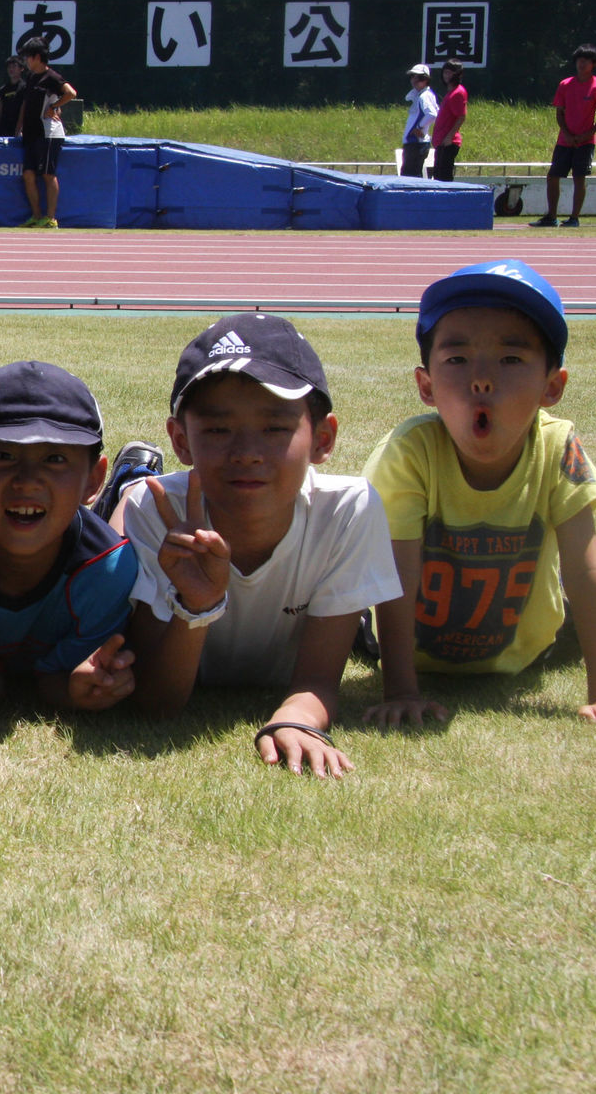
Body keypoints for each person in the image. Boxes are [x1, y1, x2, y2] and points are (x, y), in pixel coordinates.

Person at [361, 261, 596, 732]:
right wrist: (401, 691)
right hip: (414, 650)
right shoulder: (410, 454)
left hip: (531, 648)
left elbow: (586, 569)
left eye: (511, 359)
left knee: (572, 622)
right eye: (457, 360)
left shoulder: (557, 445)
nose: (481, 380)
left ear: (552, 386)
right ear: (426, 386)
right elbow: (395, 574)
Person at [118, 314, 402, 778]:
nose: (247, 451)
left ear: (323, 438)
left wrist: (298, 719)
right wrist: (198, 606)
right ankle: (127, 477)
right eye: (217, 429)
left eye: (275, 428)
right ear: (180, 440)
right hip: (140, 504)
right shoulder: (156, 512)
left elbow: (316, 680)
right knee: (123, 511)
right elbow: (157, 703)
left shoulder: (349, 509)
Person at [0, 361, 140, 712]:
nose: (27, 480)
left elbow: (56, 681)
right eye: (2, 456)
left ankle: (131, 482)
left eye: (55, 458)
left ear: (93, 479)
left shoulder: (108, 570)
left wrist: (76, 688)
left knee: (125, 524)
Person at [530, 45, 596, 227]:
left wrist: (587, 134)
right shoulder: (565, 84)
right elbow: (559, 112)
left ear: (593, 64)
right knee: (552, 176)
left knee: (579, 177)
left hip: (585, 141)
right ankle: (551, 216)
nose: (582, 63)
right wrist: (567, 133)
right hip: (564, 140)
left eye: (586, 60)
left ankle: (574, 217)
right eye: (579, 60)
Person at [16, 37, 75, 229]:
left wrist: (55, 107)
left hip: (48, 134)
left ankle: (51, 218)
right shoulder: (32, 77)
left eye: (28, 57)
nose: (26, 61)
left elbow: (71, 93)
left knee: (48, 175)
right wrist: (20, 127)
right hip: (31, 133)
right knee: (28, 174)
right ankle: (36, 215)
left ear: (37, 57)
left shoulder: (53, 77)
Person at [429, 59, 467, 182]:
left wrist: (449, 137)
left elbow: (461, 116)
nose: (447, 76)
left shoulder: (458, 92)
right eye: (445, 72)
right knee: (438, 176)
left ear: (459, 74)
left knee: (443, 179)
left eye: (451, 73)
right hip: (441, 142)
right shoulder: (450, 93)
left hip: (448, 143)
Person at [400, 63, 439, 178]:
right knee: (410, 175)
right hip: (414, 143)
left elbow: (432, 114)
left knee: (409, 177)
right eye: (412, 76)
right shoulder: (422, 95)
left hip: (416, 143)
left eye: (418, 77)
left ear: (425, 79)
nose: (414, 80)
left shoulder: (424, 96)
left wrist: (419, 127)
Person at [0, 55, 26, 139]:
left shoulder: (25, 87)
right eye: (9, 67)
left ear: (21, 69)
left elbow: (24, 110)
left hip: (18, 131)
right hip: (3, 129)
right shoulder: (3, 89)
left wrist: (18, 130)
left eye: (14, 66)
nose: (11, 69)